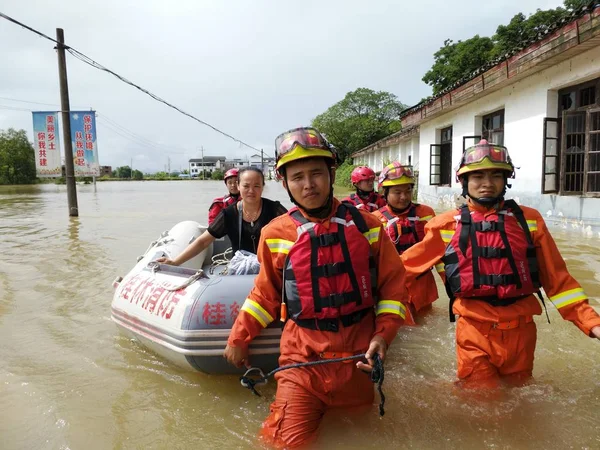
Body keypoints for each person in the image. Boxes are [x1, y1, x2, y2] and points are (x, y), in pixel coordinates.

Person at [223, 127, 409, 448]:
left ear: (331, 173)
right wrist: (240, 337)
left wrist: (383, 335)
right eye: (297, 177)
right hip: (302, 361)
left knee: (363, 437)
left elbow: (394, 288)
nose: (308, 184)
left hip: (358, 359)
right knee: (282, 443)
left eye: (316, 174)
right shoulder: (276, 233)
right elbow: (265, 295)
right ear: (285, 183)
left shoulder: (368, 225)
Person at [401, 139, 600, 389]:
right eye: (478, 176)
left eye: (496, 175)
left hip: (523, 333)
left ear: (506, 180)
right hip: (474, 332)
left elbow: (559, 281)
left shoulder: (530, 220)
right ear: (464, 182)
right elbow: (402, 270)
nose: (487, 183)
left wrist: (592, 323)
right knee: (483, 405)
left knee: (520, 401)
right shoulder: (446, 225)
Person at [157, 167, 286, 266]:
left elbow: (295, 229)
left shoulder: (274, 209)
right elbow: (203, 241)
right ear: (238, 186)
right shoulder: (228, 214)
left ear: (263, 187)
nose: (251, 191)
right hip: (241, 269)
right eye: (246, 186)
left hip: (271, 268)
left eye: (256, 186)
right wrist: (174, 262)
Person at [372, 162, 439, 323]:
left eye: (408, 191)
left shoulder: (426, 214)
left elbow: (439, 252)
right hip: (393, 287)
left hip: (423, 285)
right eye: (397, 192)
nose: (404, 197)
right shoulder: (374, 220)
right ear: (384, 192)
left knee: (425, 327)